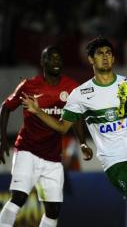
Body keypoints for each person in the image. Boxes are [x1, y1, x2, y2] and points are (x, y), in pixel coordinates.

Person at [21, 37, 127, 227]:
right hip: (115, 161)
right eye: (99, 54)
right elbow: (63, 126)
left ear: (113, 58)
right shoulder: (80, 94)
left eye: (108, 53)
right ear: (91, 60)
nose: (105, 57)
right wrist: (38, 111)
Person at [0, 46, 78, 227]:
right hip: (27, 150)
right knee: (19, 197)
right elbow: (6, 107)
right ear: (43, 62)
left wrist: (82, 142)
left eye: (59, 58)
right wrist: (2, 138)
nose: (56, 62)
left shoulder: (71, 87)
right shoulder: (29, 85)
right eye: (52, 58)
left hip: (53, 156)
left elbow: (77, 116)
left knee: (53, 210)